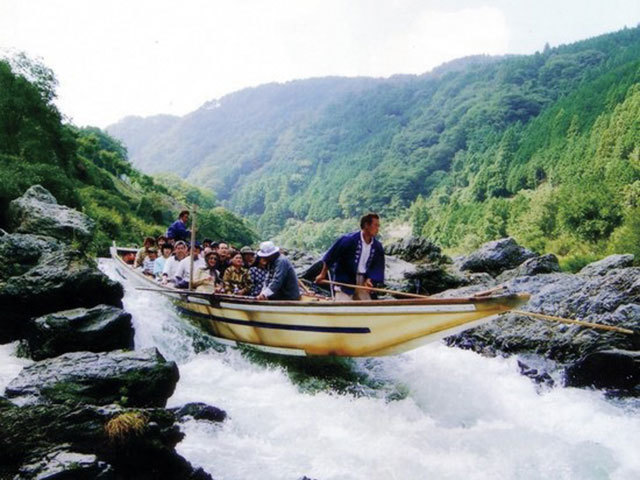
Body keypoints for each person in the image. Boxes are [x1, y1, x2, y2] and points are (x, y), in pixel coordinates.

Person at [314, 213, 384, 301]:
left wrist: (370, 279)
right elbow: (331, 256)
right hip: (345, 279)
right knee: (342, 306)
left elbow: (377, 266)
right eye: (376, 225)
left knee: (367, 307)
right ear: (366, 225)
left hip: (363, 281)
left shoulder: (377, 246)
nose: (378, 229)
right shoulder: (348, 240)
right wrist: (322, 274)